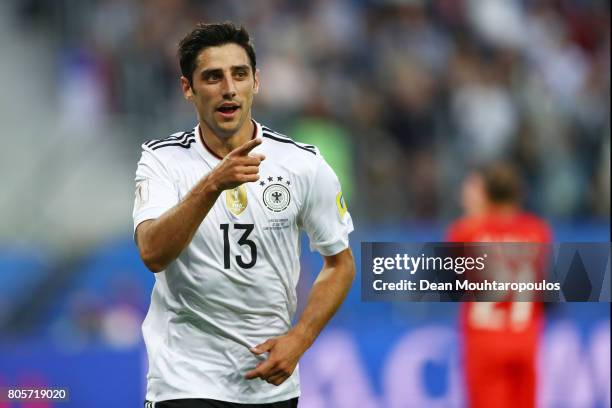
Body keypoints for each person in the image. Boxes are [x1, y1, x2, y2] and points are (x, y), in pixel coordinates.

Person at [132, 22, 355, 408]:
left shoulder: (301, 164)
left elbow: (340, 263)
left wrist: (299, 340)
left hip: (270, 382)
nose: (228, 88)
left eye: (239, 74)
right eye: (213, 77)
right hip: (184, 383)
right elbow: (152, 252)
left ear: (257, 82)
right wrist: (211, 184)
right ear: (188, 88)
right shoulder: (162, 160)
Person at [446, 163, 551, 408]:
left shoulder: (465, 232)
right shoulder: (537, 231)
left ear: (486, 194)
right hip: (525, 339)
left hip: (484, 344)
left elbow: (452, 286)